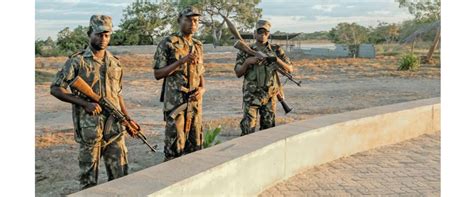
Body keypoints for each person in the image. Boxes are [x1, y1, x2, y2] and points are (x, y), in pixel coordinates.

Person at [50, 15, 138, 189]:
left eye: (107, 35)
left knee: (121, 178)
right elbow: (55, 88)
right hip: (90, 131)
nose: (103, 39)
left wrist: (127, 119)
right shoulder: (77, 61)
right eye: (99, 34)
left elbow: (117, 95)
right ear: (90, 34)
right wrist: (84, 103)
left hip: (115, 131)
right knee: (89, 182)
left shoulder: (115, 63)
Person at [153, 7, 205, 161]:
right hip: (176, 104)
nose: (193, 23)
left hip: (195, 103)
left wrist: (202, 89)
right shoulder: (168, 43)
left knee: (195, 147)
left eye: (196, 20)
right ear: (179, 20)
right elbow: (158, 73)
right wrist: (180, 62)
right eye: (189, 19)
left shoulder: (198, 45)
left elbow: (201, 72)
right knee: (175, 149)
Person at [234, 19, 294, 136]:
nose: (263, 34)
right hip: (251, 96)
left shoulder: (276, 50)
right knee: (248, 130)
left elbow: (290, 69)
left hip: (270, 96)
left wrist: (276, 59)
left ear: (269, 34)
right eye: (260, 32)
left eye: (265, 32)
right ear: (254, 33)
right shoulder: (245, 50)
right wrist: (248, 62)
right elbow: (238, 73)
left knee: (268, 130)